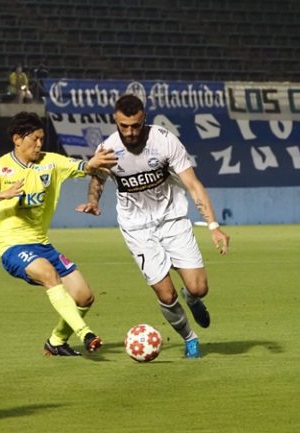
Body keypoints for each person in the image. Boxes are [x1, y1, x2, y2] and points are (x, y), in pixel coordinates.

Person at [76, 94, 230, 359]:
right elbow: (97, 179)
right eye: (124, 126)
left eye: (135, 125)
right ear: (116, 121)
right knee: (166, 294)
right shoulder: (108, 149)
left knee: (198, 288)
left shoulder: (164, 141)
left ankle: (192, 298)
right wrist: (92, 201)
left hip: (172, 220)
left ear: (144, 119)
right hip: (137, 228)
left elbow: (193, 184)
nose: (130, 132)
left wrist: (213, 226)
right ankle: (190, 338)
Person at [0, 112, 117, 356]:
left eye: (41, 139)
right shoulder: (1, 167)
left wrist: (95, 161)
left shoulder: (52, 162)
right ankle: (86, 334)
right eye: (34, 139)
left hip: (43, 245)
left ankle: (56, 342)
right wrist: (3, 195)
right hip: (14, 248)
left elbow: (85, 167)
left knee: (84, 297)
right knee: (49, 274)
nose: (39, 144)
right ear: (17, 139)